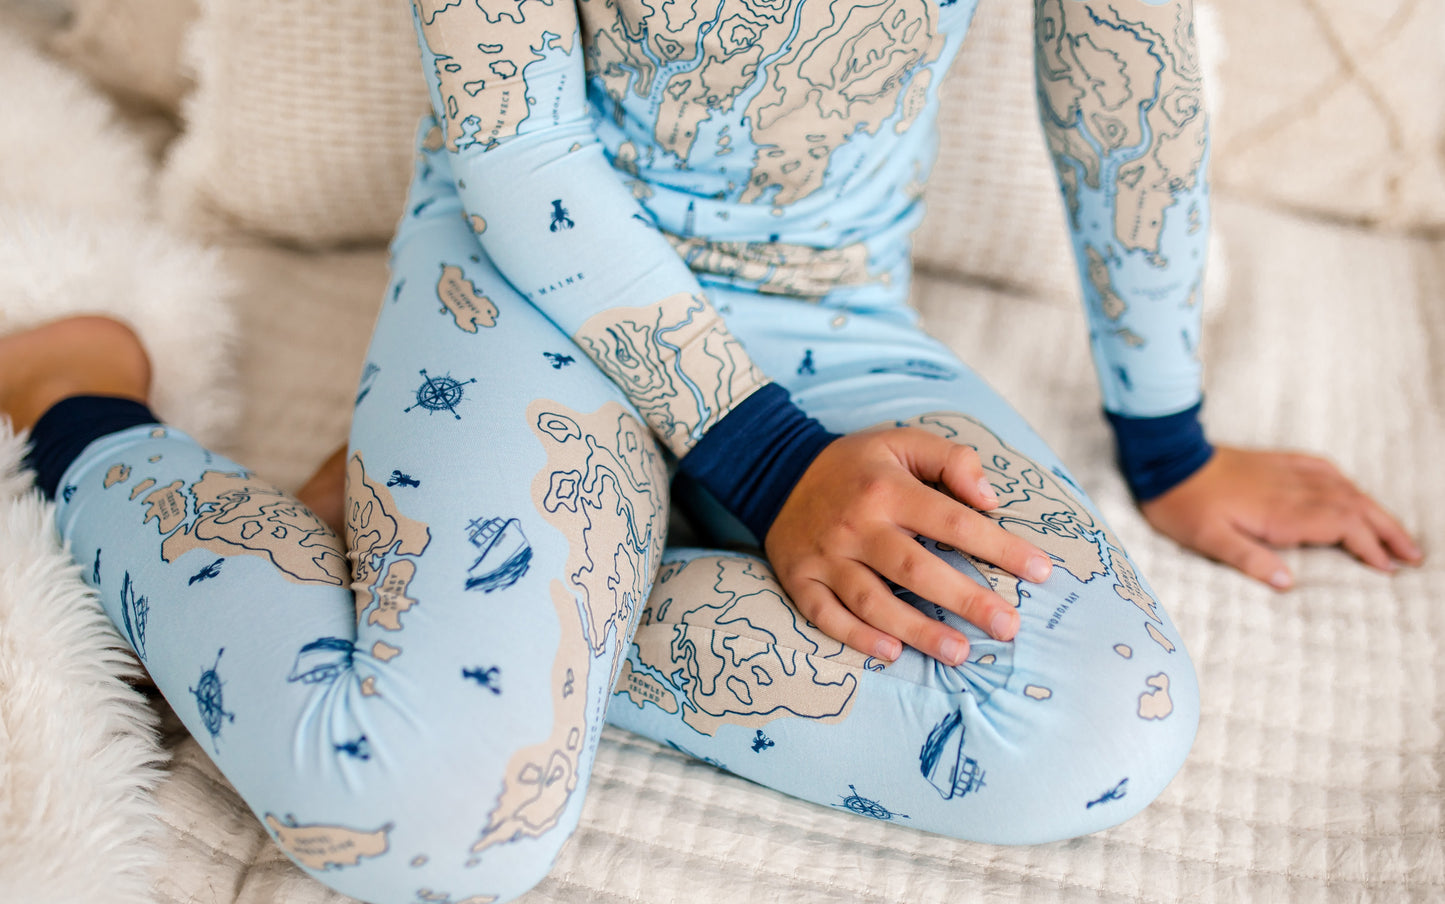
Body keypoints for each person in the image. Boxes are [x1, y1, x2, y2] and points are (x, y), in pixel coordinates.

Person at [0, 1, 1421, 902]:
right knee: (428, 824)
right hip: (528, 281)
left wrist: (1167, 443)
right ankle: (76, 398)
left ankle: (448, 546)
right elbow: (514, 146)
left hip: (819, 309)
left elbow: (1126, 76)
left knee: (1104, 724)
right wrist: (772, 465)